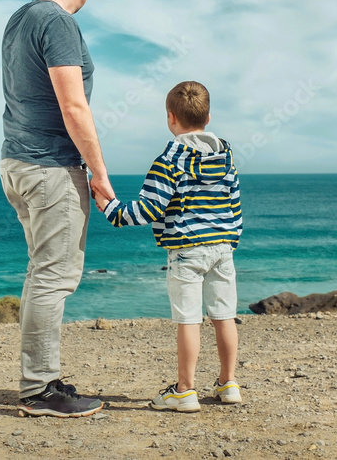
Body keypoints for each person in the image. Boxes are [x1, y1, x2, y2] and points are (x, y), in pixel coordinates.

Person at [0, 0, 114, 417]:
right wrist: (101, 175)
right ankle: (39, 390)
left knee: (40, 273)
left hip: (17, 163)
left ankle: (42, 379)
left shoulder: (18, 19)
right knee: (53, 278)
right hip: (50, 169)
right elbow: (73, 106)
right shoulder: (59, 23)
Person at [97, 81, 243, 412]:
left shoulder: (169, 160)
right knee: (225, 316)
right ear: (208, 117)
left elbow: (149, 209)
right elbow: (234, 203)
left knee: (189, 320)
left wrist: (111, 209)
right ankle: (228, 383)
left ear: (170, 117)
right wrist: (231, 238)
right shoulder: (226, 158)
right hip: (223, 249)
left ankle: (185, 390)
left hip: (187, 251)